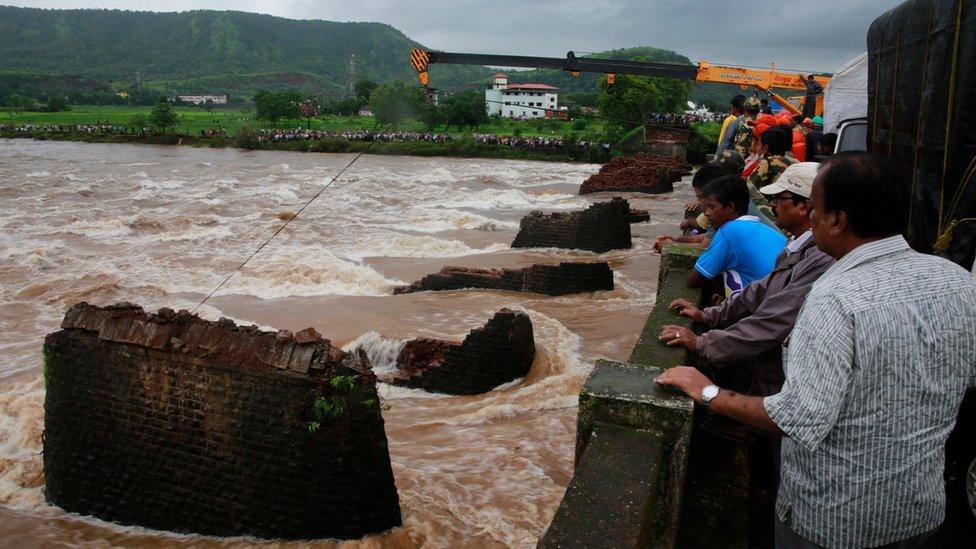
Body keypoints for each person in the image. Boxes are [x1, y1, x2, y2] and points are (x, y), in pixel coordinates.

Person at [656, 152, 976, 548]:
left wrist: (706, 390)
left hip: (836, 516)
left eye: (817, 211)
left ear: (838, 220)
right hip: (920, 509)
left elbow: (798, 417)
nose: (811, 220)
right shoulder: (956, 280)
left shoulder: (835, 296)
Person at [660, 162, 833, 396]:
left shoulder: (821, 256)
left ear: (804, 206)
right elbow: (758, 291)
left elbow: (772, 321)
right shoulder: (794, 245)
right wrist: (708, 315)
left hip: (779, 375)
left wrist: (702, 343)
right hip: (768, 362)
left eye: (779, 199)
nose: (772, 205)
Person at [686, 175, 786, 296]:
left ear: (730, 207)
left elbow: (693, 280)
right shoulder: (762, 227)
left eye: (712, 207)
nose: (707, 213)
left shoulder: (729, 231)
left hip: (762, 308)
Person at [748, 126, 797, 223]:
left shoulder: (768, 162)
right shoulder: (790, 162)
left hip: (770, 213)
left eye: (758, 144)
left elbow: (749, 186)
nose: (756, 148)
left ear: (765, 148)